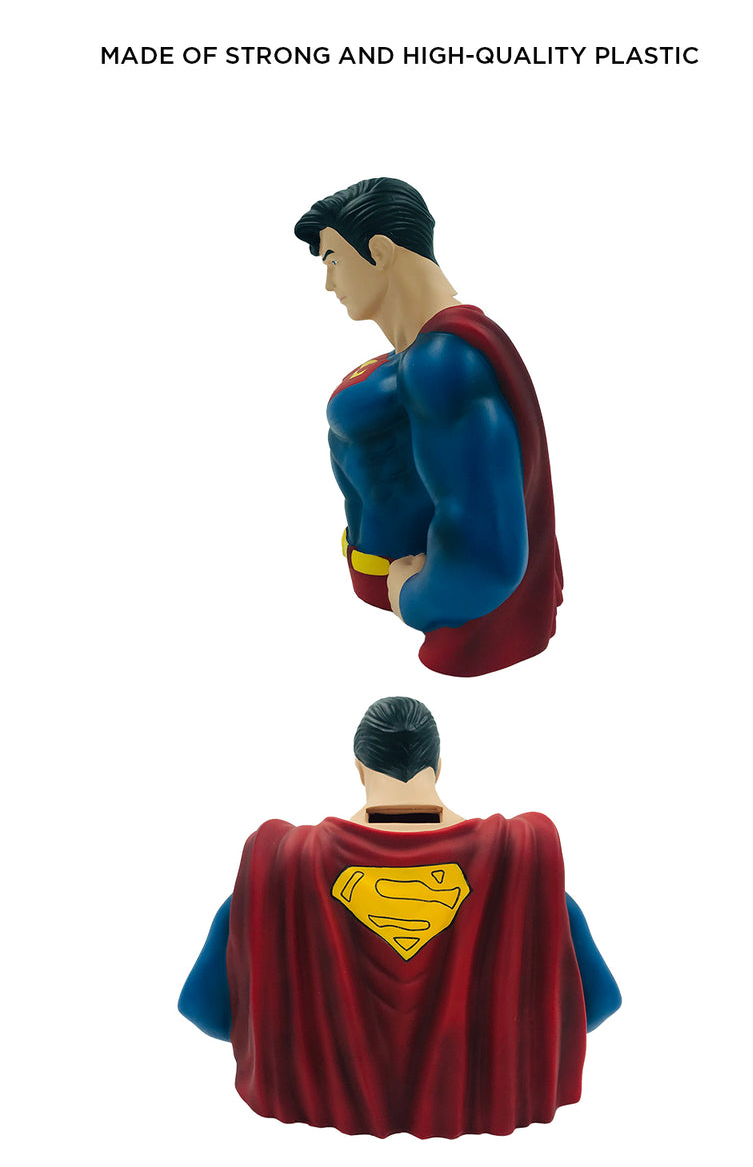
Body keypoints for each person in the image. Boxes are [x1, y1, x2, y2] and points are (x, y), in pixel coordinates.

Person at [179, 698, 621, 1138]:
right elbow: (598, 1001)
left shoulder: (281, 870)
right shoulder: (519, 867)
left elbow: (202, 1006)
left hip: (311, 1141)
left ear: (359, 768)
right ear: (438, 767)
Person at [294, 178, 563, 677]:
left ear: (378, 252)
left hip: (434, 616)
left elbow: (489, 560)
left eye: (333, 260)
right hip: (389, 606)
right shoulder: (418, 357)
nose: (329, 284)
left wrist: (412, 599)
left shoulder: (443, 363)